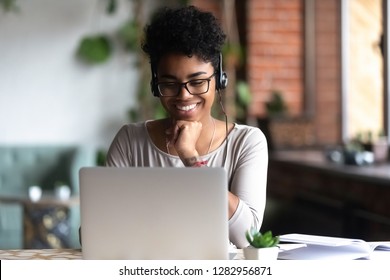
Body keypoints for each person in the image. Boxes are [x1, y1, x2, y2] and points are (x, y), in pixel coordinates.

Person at [105, 5, 268, 249]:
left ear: (219, 80)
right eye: (169, 84)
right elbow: (98, 232)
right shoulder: (130, 140)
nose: (184, 95)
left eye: (197, 81)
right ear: (155, 84)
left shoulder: (246, 142)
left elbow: (248, 237)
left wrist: (191, 158)